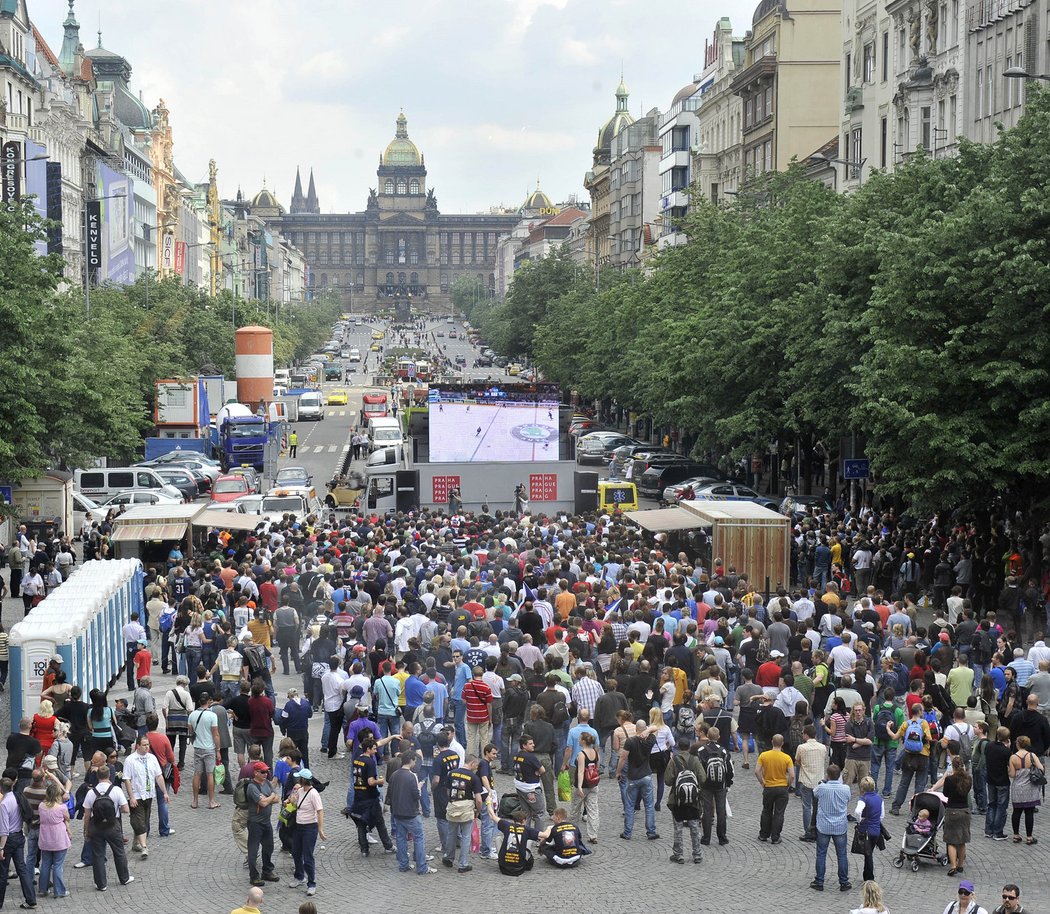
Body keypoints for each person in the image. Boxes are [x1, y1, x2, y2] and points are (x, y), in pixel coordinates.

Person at [82, 762, 133, 890]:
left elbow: (87, 815)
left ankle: (101, 884)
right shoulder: (116, 790)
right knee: (119, 852)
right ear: (109, 775)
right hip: (112, 825)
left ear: (98, 776)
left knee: (98, 855)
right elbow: (126, 809)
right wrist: (115, 810)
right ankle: (124, 878)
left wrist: (86, 830)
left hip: (96, 826)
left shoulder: (91, 792)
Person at [387, 751, 436, 875]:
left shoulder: (394, 775)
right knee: (418, 838)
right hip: (411, 813)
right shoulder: (412, 776)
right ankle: (422, 867)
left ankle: (403, 865)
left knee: (401, 839)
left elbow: (390, 794)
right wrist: (419, 787)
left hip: (397, 813)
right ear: (411, 760)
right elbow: (416, 795)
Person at [124, 734, 167, 861]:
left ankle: (136, 843)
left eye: (148, 745)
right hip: (137, 795)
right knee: (139, 823)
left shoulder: (152, 758)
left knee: (145, 821)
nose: (147, 747)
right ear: (138, 746)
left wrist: (164, 792)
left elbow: (158, 776)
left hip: (149, 794)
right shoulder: (130, 760)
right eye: (144, 745)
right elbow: (127, 779)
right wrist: (131, 796)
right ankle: (144, 847)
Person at [811, 762, 852, 893]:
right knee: (842, 854)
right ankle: (844, 882)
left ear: (828, 775)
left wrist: (822, 782)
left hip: (824, 825)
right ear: (839, 775)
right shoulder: (846, 789)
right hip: (840, 825)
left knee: (821, 853)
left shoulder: (822, 788)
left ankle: (819, 881)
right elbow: (848, 799)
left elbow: (814, 793)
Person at [663, 735, 705, 864]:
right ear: (689, 747)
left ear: (677, 746)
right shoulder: (695, 760)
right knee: (694, 827)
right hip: (693, 800)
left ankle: (678, 854)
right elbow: (703, 778)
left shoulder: (674, 760)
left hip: (678, 800)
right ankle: (697, 854)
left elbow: (668, 780)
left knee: (678, 827)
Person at [349, 737, 393, 856]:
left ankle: (364, 849)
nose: (375, 751)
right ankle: (388, 845)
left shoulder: (357, 760)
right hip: (370, 797)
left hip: (359, 795)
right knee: (380, 822)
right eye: (374, 749)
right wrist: (380, 781)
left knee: (361, 823)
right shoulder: (370, 762)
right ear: (368, 749)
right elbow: (370, 782)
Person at [616, 720, 658, 841]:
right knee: (649, 805)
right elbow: (655, 727)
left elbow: (623, 758)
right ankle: (651, 832)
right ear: (645, 728)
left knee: (629, 806)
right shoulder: (650, 740)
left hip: (633, 777)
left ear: (636, 729)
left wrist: (618, 772)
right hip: (646, 775)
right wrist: (648, 730)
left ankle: (627, 832)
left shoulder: (630, 741)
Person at [287, 769, 325, 897]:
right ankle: (299, 876)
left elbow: (320, 811)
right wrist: (293, 794)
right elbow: (293, 803)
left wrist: (320, 829)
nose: (297, 780)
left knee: (308, 857)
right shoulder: (299, 791)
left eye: (299, 779)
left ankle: (312, 883)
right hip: (298, 827)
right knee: (296, 852)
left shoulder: (313, 794)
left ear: (304, 780)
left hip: (310, 828)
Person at [0, 776, 37, 908]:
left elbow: (4, 830)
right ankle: (31, 899)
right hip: (19, 836)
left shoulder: (4, 804)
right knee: (22, 869)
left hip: (9, 839)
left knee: (2, 872)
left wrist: (1, 848)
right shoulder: (17, 797)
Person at [443, 754, 483, 873]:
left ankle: (449, 858)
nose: (476, 767)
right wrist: (478, 811)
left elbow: (448, 791)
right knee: (466, 836)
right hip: (466, 807)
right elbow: (479, 799)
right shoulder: (474, 777)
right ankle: (463, 864)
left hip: (453, 806)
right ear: (472, 763)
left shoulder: (452, 773)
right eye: (476, 765)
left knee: (451, 833)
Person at [245, 761, 280, 887]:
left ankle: (267, 871)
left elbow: (277, 799)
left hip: (266, 822)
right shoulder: (252, 787)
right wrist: (270, 797)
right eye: (263, 772)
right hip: (255, 823)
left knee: (269, 847)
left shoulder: (266, 784)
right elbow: (263, 803)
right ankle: (254, 876)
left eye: (267, 772)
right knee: (253, 850)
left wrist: (268, 798)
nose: (266, 774)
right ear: (256, 773)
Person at [756, 732, 794, 843]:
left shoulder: (764, 755)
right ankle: (775, 836)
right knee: (779, 813)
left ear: (772, 742)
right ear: (782, 743)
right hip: (782, 787)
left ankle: (763, 834)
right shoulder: (787, 758)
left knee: (766, 811)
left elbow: (757, 771)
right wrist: (788, 784)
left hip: (768, 787)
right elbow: (791, 775)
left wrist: (762, 782)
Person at [697, 726, 732, 846]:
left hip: (706, 785)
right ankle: (722, 837)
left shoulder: (701, 750)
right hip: (720, 785)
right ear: (719, 737)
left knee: (707, 811)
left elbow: (699, 769)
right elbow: (729, 769)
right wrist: (728, 783)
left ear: (708, 736)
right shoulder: (723, 751)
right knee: (721, 811)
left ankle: (706, 838)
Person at [37, 779, 71, 899]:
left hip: (45, 837)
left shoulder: (41, 806)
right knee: (57, 865)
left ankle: (43, 888)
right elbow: (67, 818)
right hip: (58, 838)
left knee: (45, 863)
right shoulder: (61, 808)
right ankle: (59, 890)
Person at [485, 802, 539, 877]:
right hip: (519, 868)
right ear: (524, 821)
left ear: (514, 820)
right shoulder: (527, 829)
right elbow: (545, 835)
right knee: (529, 840)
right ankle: (525, 859)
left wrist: (488, 802)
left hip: (504, 868)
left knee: (498, 838)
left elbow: (492, 816)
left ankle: (502, 858)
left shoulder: (507, 825)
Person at [938, 756, 972, 875]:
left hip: (952, 810)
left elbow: (946, 794)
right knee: (962, 840)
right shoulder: (968, 779)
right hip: (965, 811)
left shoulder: (950, 779)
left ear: (953, 766)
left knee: (951, 840)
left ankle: (953, 865)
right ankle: (961, 864)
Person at [1008, 734, 1044, 844]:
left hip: (1018, 787)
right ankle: (1029, 837)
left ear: (1018, 744)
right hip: (1030, 787)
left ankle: (1016, 835)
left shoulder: (1013, 757)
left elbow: (1012, 775)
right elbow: (1041, 769)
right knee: (1029, 812)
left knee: (1016, 812)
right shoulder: (1032, 755)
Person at [188, 692, 222, 809]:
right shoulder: (212, 716)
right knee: (210, 775)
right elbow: (216, 734)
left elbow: (190, 732)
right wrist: (218, 750)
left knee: (197, 774)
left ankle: (195, 801)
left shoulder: (192, 715)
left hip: (197, 747)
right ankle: (211, 801)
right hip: (209, 748)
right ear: (209, 701)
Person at [572, 731, 601, 844]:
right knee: (593, 810)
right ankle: (593, 835)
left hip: (583, 785)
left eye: (579, 739)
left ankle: (573, 832)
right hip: (593, 785)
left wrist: (579, 786)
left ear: (583, 741)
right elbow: (596, 768)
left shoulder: (581, 754)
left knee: (575, 810)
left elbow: (580, 771)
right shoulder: (595, 752)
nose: (578, 740)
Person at [854, 776, 884, 883]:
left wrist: (860, 820)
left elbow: (858, 812)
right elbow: (882, 815)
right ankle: (866, 875)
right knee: (869, 853)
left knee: (868, 855)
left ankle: (869, 877)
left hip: (866, 830)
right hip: (876, 830)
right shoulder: (879, 798)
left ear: (862, 788)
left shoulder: (863, 799)